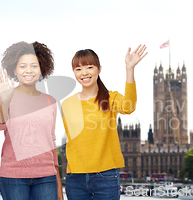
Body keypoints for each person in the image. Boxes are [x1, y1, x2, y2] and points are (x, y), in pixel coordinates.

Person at [61, 45, 147, 200]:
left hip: (106, 176)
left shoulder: (110, 98)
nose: (84, 73)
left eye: (89, 67)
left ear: (99, 69)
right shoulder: (67, 104)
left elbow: (129, 106)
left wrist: (129, 69)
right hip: (75, 177)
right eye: (78, 69)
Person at [0, 41, 63, 200]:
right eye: (23, 66)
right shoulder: (4, 95)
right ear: (14, 70)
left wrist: (57, 182)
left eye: (34, 65)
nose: (28, 70)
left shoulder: (50, 101)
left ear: (41, 69)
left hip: (46, 177)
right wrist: (5, 101)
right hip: (13, 176)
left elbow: (51, 141)